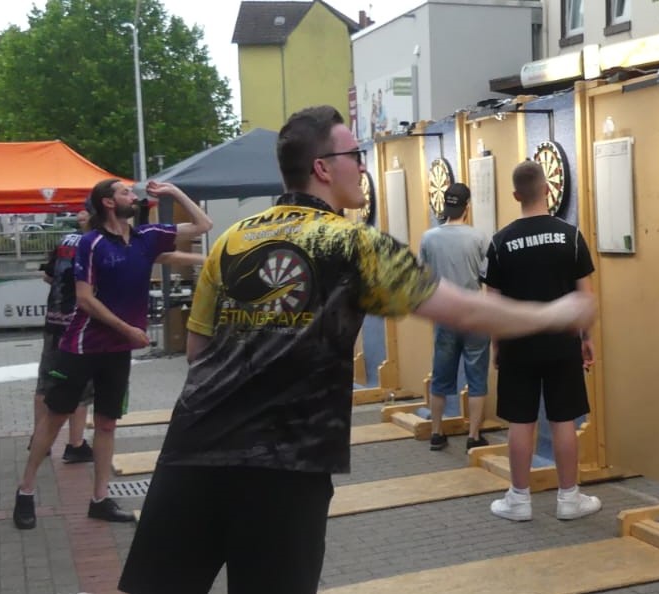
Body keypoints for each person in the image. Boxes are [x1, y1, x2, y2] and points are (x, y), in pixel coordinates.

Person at [117, 105, 595, 594]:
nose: (362, 165)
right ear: (322, 168)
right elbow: (465, 311)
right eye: (355, 155)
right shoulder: (352, 244)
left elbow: (197, 351)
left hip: (191, 448)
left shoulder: (232, 240)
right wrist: (556, 314)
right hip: (286, 463)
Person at [13, 179, 212, 528]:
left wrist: (174, 192)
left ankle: (100, 499)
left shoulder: (146, 236)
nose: (133, 197)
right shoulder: (91, 243)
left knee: (107, 423)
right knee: (56, 417)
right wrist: (128, 330)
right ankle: (26, 490)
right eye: (125, 193)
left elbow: (202, 225)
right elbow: (85, 299)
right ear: (108, 202)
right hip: (82, 346)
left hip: (117, 350)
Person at [483, 160, 601, 523]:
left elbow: (491, 304)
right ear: (547, 189)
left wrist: (497, 345)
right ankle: (569, 498)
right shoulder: (571, 236)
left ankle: (519, 500)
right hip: (562, 342)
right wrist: (586, 338)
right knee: (563, 419)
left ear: (515, 195)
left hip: (518, 343)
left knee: (521, 421)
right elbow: (585, 296)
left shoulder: (500, 242)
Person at [418, 182, 493, 451]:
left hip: (444, 315)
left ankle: (437, 432)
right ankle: (473, 435)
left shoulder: (429, 238)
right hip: (474, 314)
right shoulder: (479, 238)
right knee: (477, 377)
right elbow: (488, 275)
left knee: (440, 376)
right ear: (467, 207)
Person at [30, 209, 94, 464]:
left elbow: (48, 275)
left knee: (45, 382)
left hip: (54, 321)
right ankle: (75, 444)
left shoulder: (65, 240)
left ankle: (39, 439)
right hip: (78, 325)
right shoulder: (96, 243)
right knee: (80, 387)